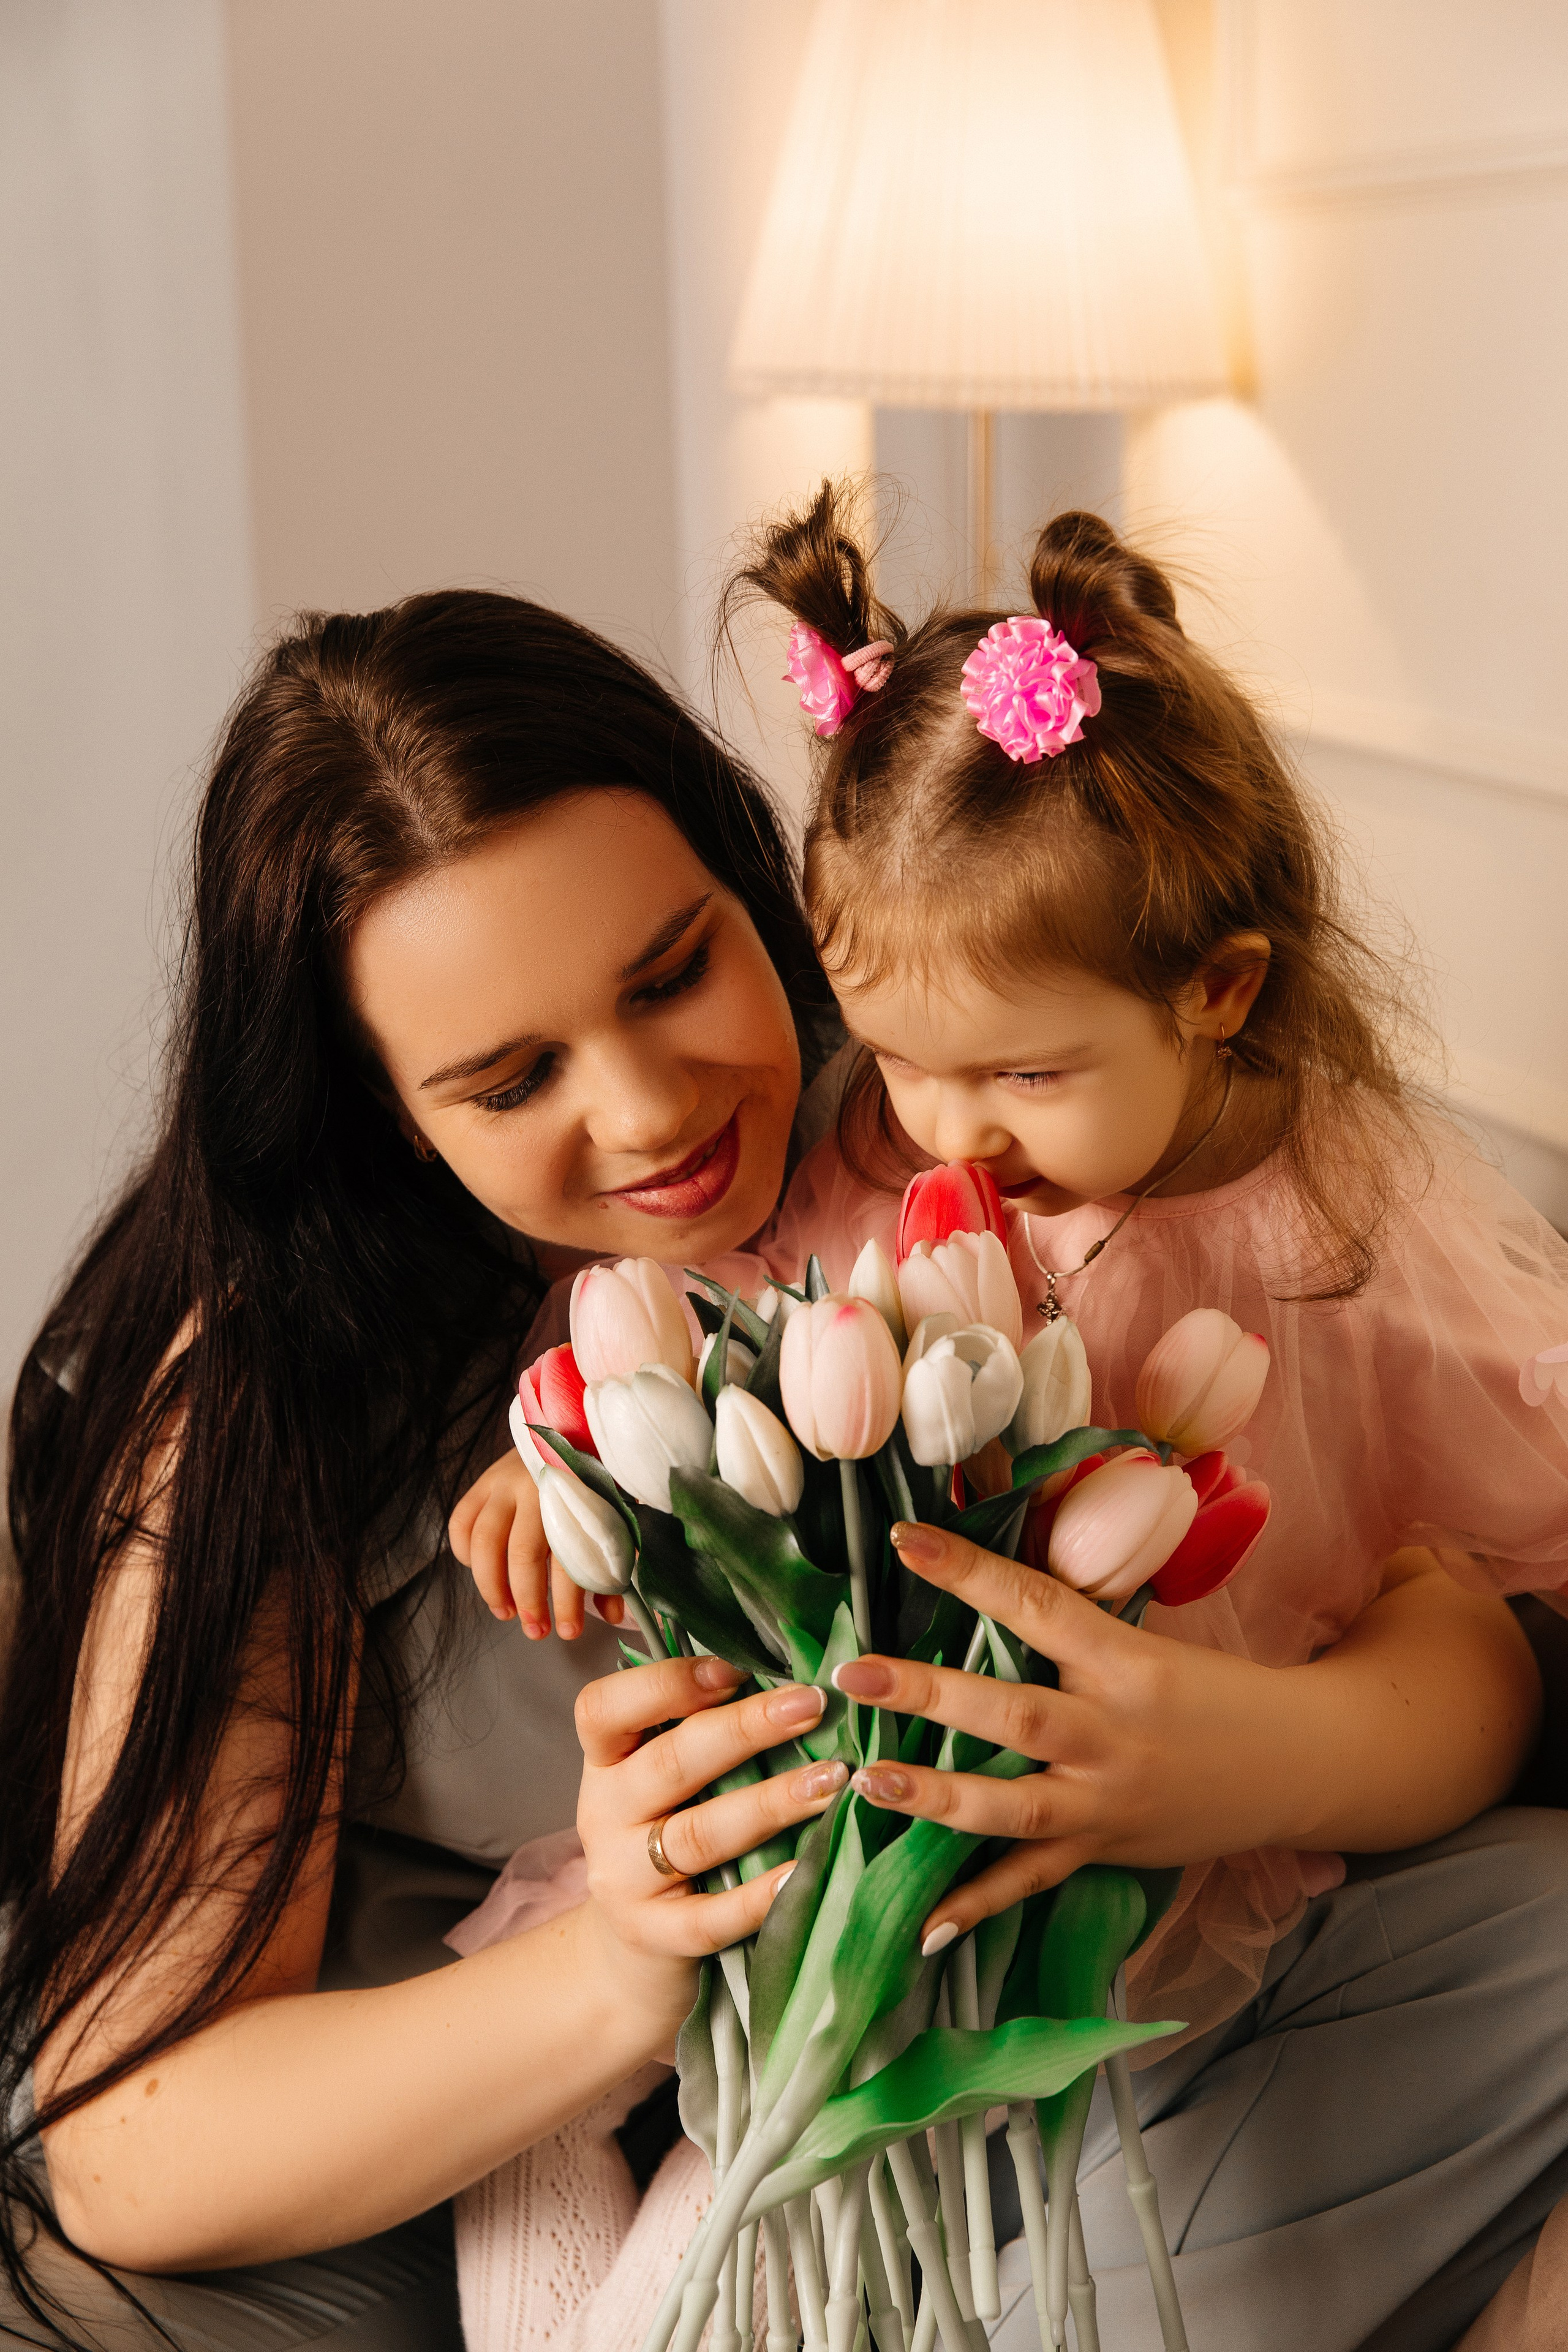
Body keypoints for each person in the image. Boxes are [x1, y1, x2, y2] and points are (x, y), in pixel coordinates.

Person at [455, 489, 1568, 2348]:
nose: (951, 1135)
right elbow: (725, 1343)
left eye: (1029, 1073)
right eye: (896, 1054)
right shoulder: (861, 1156)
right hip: (811, 1827)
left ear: (1218, 996)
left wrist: (1413, 1641)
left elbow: (1522, 1503)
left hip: (1094, 1875)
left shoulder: (1338, 1232)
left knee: (842, 2170)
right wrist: (550, 1454)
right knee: (611, 2094)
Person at [0, 588, 854, 2348]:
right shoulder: (268, 1389)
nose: (647, 1114)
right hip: (422, 2147)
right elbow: (136, 2144)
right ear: (387, 1111)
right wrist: (630, 1955)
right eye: (510, 1077)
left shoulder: (932, 1123)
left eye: (676, 968)